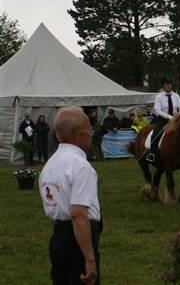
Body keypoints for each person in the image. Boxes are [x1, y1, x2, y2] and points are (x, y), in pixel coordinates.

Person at [39, 107, 101, 285]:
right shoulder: (80, 166)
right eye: (87, 129)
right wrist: (89, 260)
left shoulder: (49, 165)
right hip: (78, 239)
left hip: (58, 237)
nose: (90, 134)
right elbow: (78, 213)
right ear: (76, 133)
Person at [146, 77, 180, 162]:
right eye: (166, 84)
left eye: (170, 84)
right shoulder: (159, 97)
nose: (168, 86)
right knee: (156, 133)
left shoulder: (176, 96)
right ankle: (152, 153)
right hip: (162, 119)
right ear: (164, 85)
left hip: (176, 118)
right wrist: (168, 117)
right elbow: (157, 111)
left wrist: (179, 115)